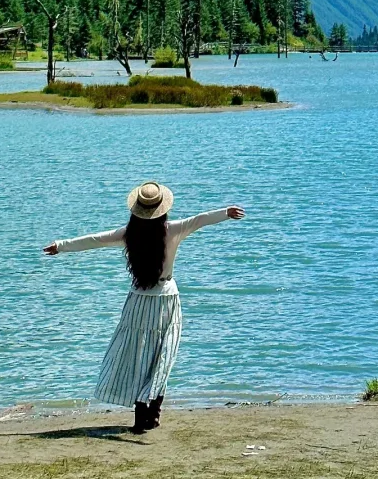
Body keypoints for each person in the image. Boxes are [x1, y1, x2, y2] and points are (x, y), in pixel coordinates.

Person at [44, 181, 245, 433]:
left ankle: (142, 415)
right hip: (166, 300)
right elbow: (200, 219)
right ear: (162, 209)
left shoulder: (129, 234)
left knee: (138, 354)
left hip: (138, 302)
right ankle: (153, 412)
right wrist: (225, 213)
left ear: (137, 210)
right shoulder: (173, 229)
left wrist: (61, 245)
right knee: (164, 354)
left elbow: (94, 240)